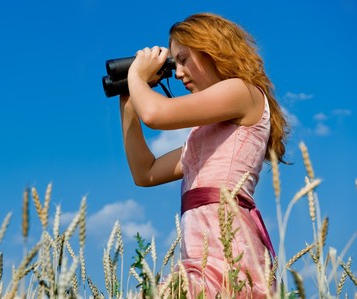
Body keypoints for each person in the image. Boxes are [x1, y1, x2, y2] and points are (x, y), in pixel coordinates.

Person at [119, 12, 288, 298]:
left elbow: (156, 114)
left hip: (229, 248)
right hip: (197, 255)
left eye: (183, 59)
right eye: (174, 64)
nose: (179, 72)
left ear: (213, 50)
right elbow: (144, 172)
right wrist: (128, 99)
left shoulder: (242, 92)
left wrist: (136, 74)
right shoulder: (203, 136)